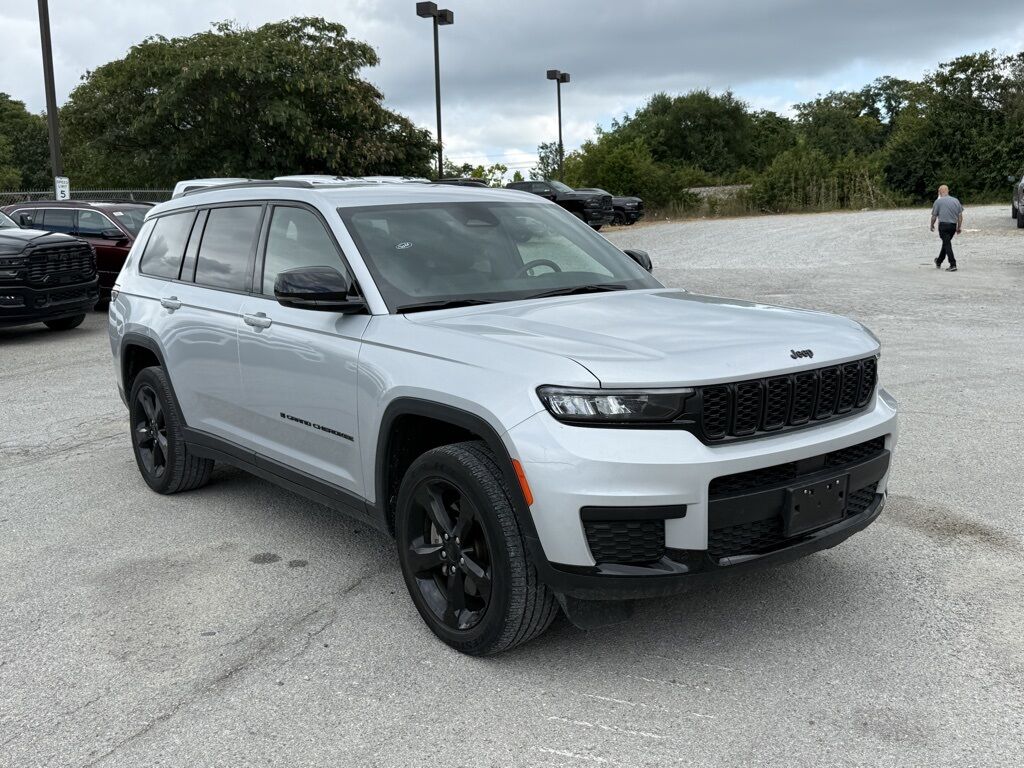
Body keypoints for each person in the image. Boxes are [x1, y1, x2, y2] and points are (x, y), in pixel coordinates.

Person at [930, 185, 963, 272]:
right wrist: (959, 227)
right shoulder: (956, 201)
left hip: (943, 226)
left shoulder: (938, 202)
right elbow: (960, 216)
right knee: (946, 243)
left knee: (947, 244)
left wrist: (931, 225)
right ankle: (939, 261)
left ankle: (953, 264)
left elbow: (934, 216)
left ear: (939, 192)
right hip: (952, 226)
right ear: (948, 191)